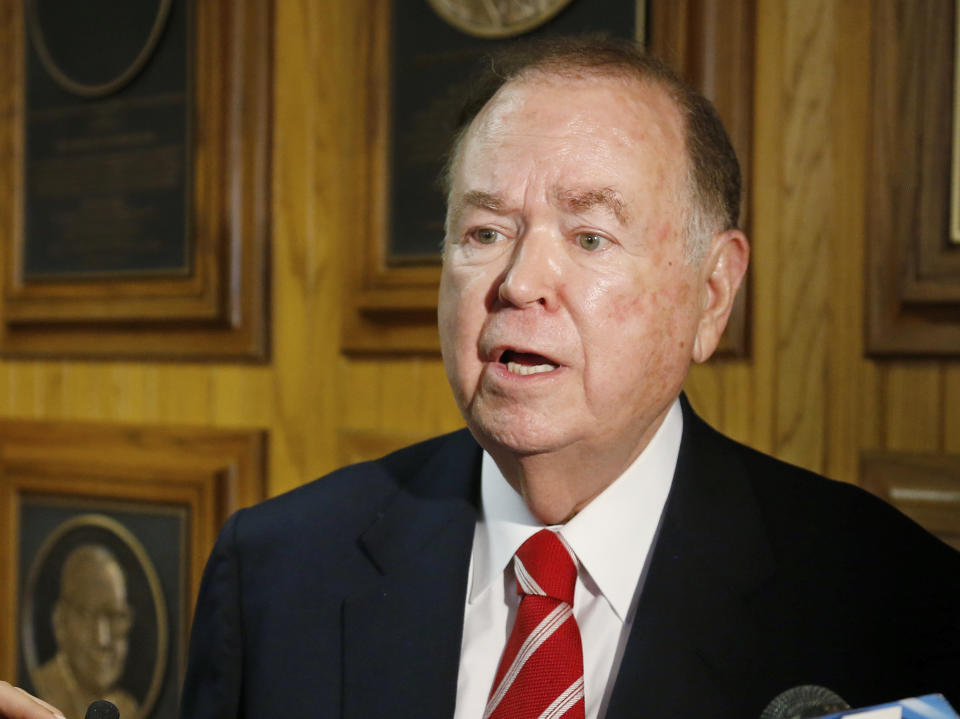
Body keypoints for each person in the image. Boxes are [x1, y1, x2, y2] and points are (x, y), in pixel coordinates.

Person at [4, 33, 957, 719]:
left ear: (713, 293)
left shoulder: (886, 600)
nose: (518, 280)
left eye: (589, 235)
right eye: (483, 231)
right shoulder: (276, 571)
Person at [31, 546, 138, 719]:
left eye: (115, 615)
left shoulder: (127, 708)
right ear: (61, 621)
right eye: (87, 615)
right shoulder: (39, 696)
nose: (102, 639)